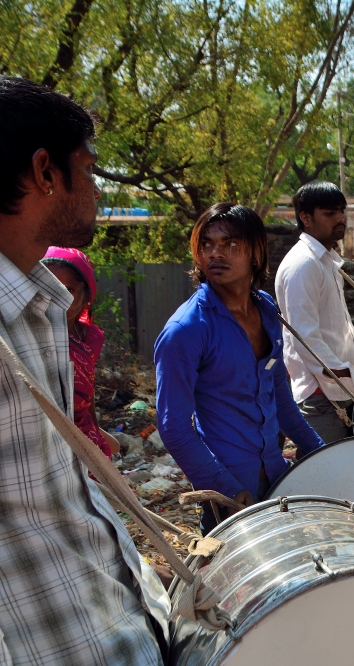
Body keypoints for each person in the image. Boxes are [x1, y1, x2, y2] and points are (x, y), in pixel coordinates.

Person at [0, 75, 165, 664]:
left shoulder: (42, 304)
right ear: (46, 173)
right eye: (89, 170)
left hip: (112, 622)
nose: (96, 190)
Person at [155, 203, 326, 533]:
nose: (216, 254)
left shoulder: (265, 309)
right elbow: (172, 425)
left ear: (256, 253)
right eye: (207, 244)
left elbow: (281, 397)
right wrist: (225, 488)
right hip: (230, 495)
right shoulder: (187, 329)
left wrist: (322, 452)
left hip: (276, 478)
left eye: (231, 245)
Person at [275, 181, 354, 445]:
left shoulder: (325, 260)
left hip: (337, 391)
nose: (341, 218)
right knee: (324, 477)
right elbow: (307, 341)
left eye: (342, 210)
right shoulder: (303, 264)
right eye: (329, 213)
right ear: (305, 218)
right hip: (321, 395)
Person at [41, 247, 119, 458]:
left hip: (82, 433)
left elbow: (87, 392)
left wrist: (94, 431)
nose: (56, 297)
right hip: (45, 440)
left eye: (68, 290)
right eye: (48, 287)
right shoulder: (30, 335)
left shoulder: (90, 338)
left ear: (86, 297)